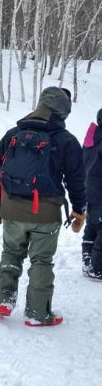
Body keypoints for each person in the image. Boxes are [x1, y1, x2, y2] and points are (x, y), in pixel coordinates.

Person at [0, 86, 86, 326]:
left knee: (11, 252)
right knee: (41, 261)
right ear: (63, 112)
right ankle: (38, 313)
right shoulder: (67, 141)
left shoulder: (13, 134)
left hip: (11, 208)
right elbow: (76, 180)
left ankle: (1, 301)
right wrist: (79, 210)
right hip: (46, 212)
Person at [81, 109, 102, 279]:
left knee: (92, 224)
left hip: (89, 189)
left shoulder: (91, 137)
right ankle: (97, 267)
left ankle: (87, 259)